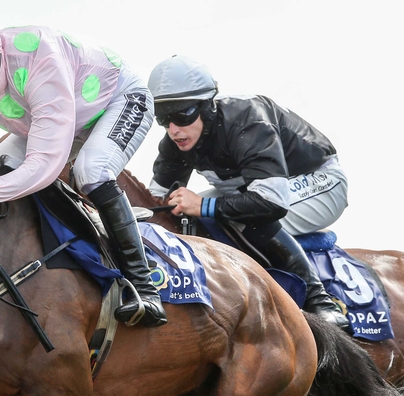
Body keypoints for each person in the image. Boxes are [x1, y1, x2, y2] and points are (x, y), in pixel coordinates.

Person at [0, 8, 166, 327]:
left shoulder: (38, 61)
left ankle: (144, 288)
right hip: (54, 118)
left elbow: (44, 165)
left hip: (118, 101)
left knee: (91, 171)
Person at [146, 55, 350, 332]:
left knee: (240, 215)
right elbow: (153, 204)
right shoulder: (176, 139)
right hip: (257, 188)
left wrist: (203, 205)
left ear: (207, 107)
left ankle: (322, 303)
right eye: (165, 118)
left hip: (318, 182)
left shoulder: (247, 119)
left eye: (182, 114)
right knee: (179, 214)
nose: (174, 129)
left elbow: (271, 202)